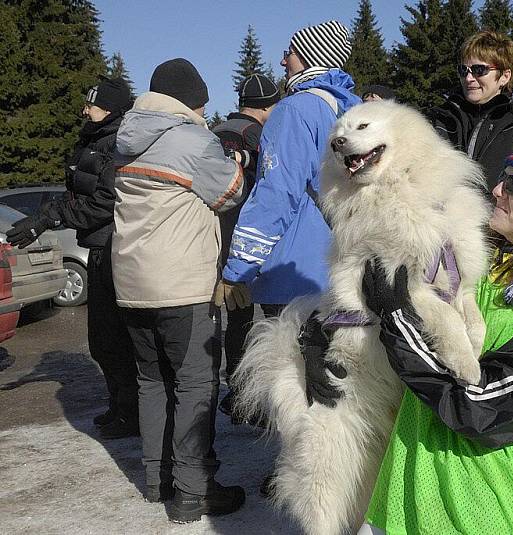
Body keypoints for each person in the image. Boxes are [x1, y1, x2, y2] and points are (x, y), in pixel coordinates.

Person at [302, 117, 513, 535]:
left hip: (483, 515)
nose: (498, 190)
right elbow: (370, 308)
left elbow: (482, 407)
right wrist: (321, 338)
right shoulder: (487, 267)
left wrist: (399, 319)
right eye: (504, 178)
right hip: (406, 501)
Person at [110, 58, 246, 521]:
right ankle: (193, 491)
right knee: (194, 385)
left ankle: (157, 480)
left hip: (129, 283)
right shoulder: (191, 139)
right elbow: (230, 193)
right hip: (181, 285)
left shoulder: (124, 138)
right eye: (203, 104)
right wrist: (236, 161)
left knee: (151, 381)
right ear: (192, 101)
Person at [5, 78, 139, 439]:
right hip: (96, 245)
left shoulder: (118, 142)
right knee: (101, 340)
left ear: (109, 110)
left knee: (115, 338)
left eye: (91, 105)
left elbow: (104, 203)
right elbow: (78, 191)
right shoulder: (92, 138)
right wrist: (47, 216)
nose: (85, 109)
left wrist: (51, 216)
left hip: (114, 245)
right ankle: (118, 405)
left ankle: (132, 412)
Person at [219, 20, 360, 318]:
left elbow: (276, 194)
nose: (284, 59)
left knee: (294, 362)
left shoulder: (295, 109)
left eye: (291, 51)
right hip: (346, 270)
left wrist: (237, 270)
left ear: (311, 56)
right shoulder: (352, 109)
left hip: (296, 275)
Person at [211, 73, 281, 422]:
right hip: (256, 242)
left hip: (218, 240)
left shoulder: (213, 134)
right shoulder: (261, 136)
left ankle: (236, 394)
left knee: (235, 321)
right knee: (272, 321)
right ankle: (263, 397)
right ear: (269, 106)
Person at [428, 30, 513, 191]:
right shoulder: (441, 119)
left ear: (504, 76)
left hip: (501, 214)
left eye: (479, 70)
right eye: (463, 70)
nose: (469, 78)